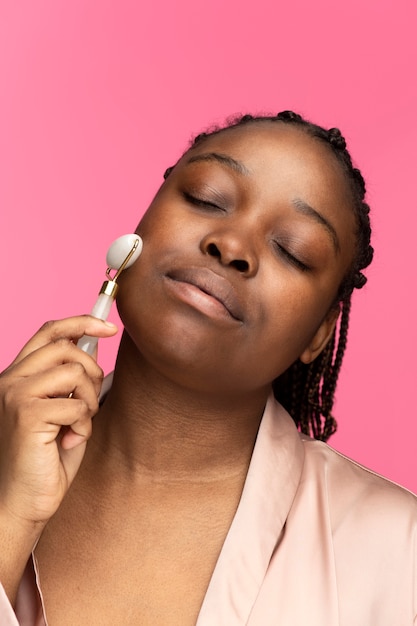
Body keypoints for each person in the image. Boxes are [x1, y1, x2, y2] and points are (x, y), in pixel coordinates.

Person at [0, 111, 416, 625]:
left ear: (319, 333)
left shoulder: (400, 555)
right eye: (205, 198)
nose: (233, 245)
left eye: (293, 251)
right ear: (144, 221)